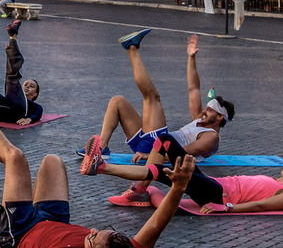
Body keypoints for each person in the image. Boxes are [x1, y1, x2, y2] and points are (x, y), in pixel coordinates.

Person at [0, 104, 195, 248]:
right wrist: (178, 187)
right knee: (53, 161)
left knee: (16, 158)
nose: (92, 231)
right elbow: (157, 224)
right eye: (103, 230)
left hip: (21, 234)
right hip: (54, 222)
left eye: (92, 239)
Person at [86, 30, 235, 205]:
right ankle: (101, 149)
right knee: (118, 102)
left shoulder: (212, 137)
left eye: (209, 110)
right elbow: (193, 88)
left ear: (219, 117)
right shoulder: (199, 119)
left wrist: (148, 154)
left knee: (152, 97)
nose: (203, 111)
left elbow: (180, 154)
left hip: (157, 147)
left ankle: (132, 48)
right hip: (150, 145)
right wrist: (191, 57)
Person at [81, 152, 283, 213]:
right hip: (215, 183)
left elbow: (261, 205)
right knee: (169, 152)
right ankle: (136, 188)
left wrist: (227, 209)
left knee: (164, 172)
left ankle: (103, 167)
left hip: (218, 195)